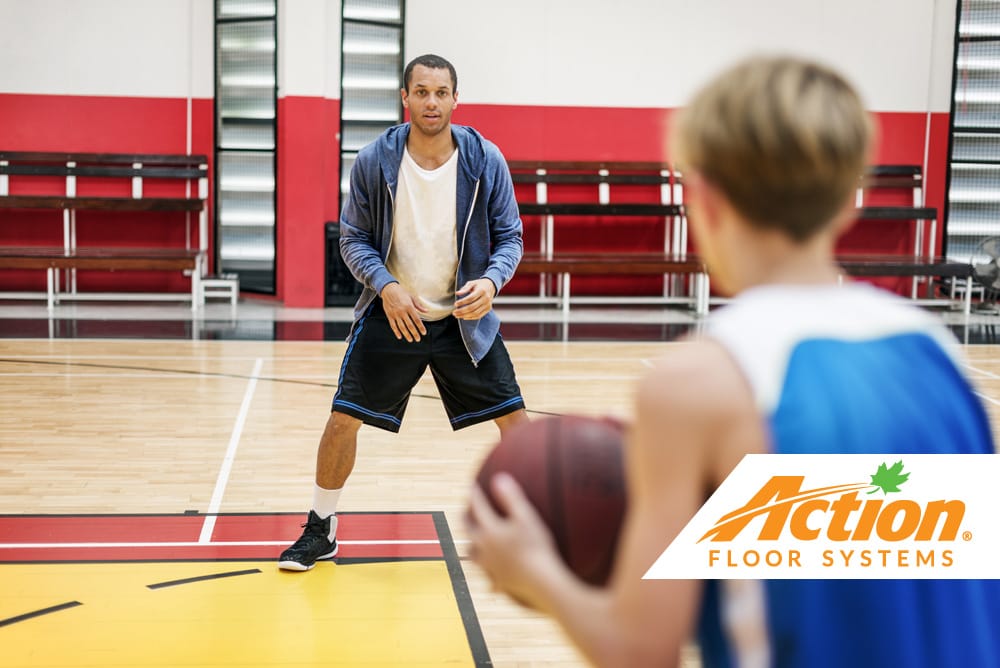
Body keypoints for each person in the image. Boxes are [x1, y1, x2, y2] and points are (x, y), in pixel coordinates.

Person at [468, 55, 1000, 667]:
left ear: (707, 199)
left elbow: (641, 654)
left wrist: (535, 571)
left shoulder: (700, 383)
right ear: (847, 203)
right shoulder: (936, 350)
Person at [279, 53, 528, 571]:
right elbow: (352, 239)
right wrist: (386, 286)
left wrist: (490, 280)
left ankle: (538, 524)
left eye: (441, 92)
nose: (431, 102)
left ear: (456, 98)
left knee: (516, 422)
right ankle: (320, 529)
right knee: (343, 420)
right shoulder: (376, 160)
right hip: (396, 312)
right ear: (406, 97)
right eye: (422, 92)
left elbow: (510, 238)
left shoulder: (486, 160)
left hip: (462, 319)